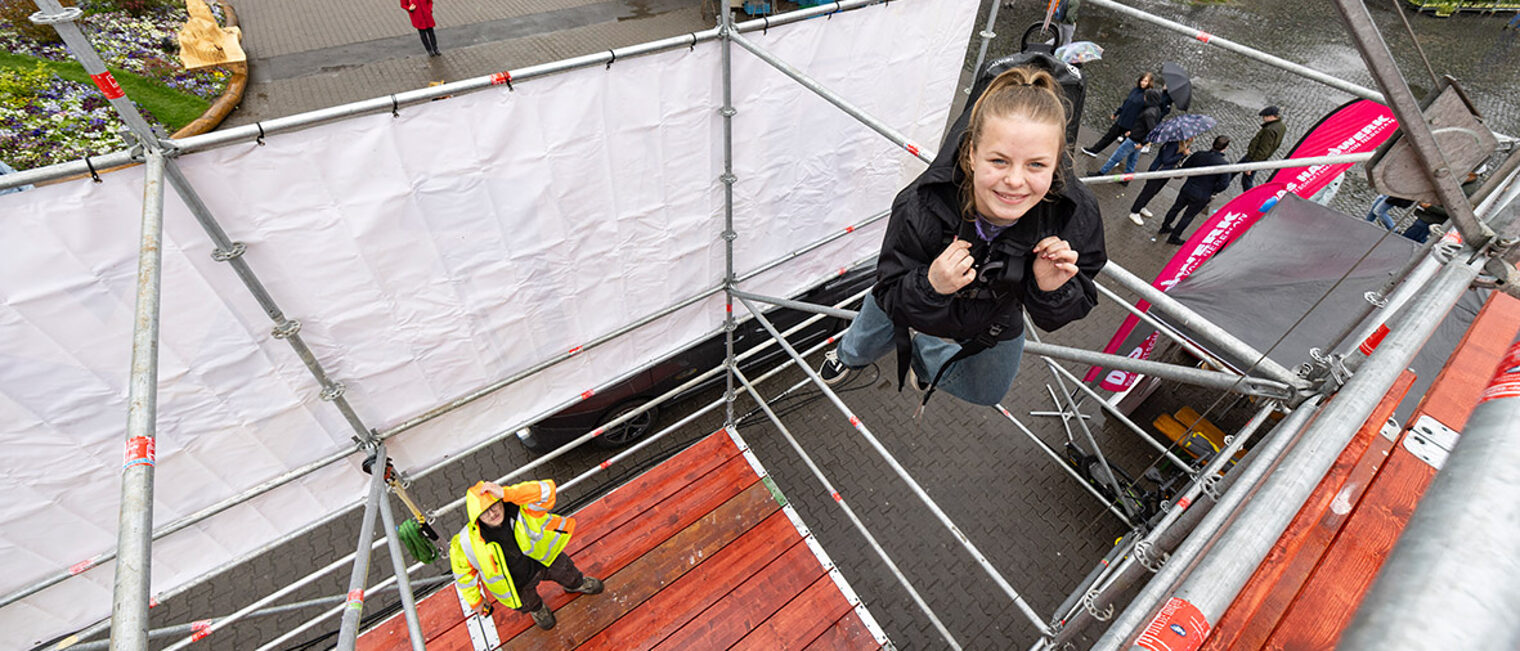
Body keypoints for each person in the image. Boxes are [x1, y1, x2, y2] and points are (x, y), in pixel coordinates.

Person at [817, 66, 1107, 408]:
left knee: (988, 392)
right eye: (999, 160)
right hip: (921, 284)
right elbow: (890, 288)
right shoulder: (921, 204)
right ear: (971, 154)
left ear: (1057, 163)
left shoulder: (1075, 211)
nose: (1015, 181)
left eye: (1036, 165)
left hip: (994, 310)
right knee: (870, 331)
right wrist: (930, 283)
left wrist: (1051, 289)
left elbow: (1071, 304)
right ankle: (848, 355)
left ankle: (924, 358)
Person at [449, 479, 604, 631]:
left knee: (567, 571)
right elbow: (463, 576)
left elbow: (547, 491)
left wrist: (507, 492)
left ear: (500, 500)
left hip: (544, 560)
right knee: (528, 601)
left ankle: (576, 584)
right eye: (484, 512)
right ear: (476, 518)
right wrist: (476, 602)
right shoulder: (465, 543)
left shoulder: (522, 507)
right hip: (516, 582)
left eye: (494, 505)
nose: (492, 513)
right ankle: (538, 609)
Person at [1155, 135, 1231, 245]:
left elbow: (1185, 168)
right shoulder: (1224, 164)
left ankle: (1165, 226)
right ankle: (1174, 236)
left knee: (1175, 208)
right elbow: (1224, 184)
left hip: (1188, 187)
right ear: (1225, 147)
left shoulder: (1198, 154)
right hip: (1203, 194)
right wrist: (1213, 189)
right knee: (1188, 216)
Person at [1081, 72, 1154, 158]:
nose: (1143, 83)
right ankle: (1094, 150)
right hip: (1122, 120)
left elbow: (1143, 114)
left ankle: (1116, 160)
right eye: (1142, 80)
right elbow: (1126, 103)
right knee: (1108, 137)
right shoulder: (1135, 90)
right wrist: (1117, 113)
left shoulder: (1148, 96)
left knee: (1125, 146)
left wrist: (1134, 129)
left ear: (1149, 83)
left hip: (1131, 125)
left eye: (1145, 81)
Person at [1097, 88, 1165, 178]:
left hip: (1134, 140)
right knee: (1131, 162)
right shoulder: (1156, 110)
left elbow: (1151, 131)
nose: (1144, 98)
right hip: (1137, 139)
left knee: (1115, 157)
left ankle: (1100, 173)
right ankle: (1127, 179)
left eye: (1146, 96)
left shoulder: (1149, 113)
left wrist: (1143, 143)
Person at [1126, 137, 1191, 226]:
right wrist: (1181, 155)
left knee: (1154, 192)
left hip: (1165, 173)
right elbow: (1166, 160)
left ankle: (1142, 206)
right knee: (1147, 192)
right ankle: (1134, 211)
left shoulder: (1181, 145)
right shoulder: (1173, 144)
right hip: (1158, 172)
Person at [1402, 171, 1482, 243]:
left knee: (1408, 240)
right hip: (1429, 217)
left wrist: (1430, 207)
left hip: (1432, 219)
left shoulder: (1468, 190)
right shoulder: (1461, 182)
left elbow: (1454, 211)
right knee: (1415, 238)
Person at [1238, 106, 1285, 191]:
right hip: (1255, 157)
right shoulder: (1281, 126)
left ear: (1272, 116)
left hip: (1253, 158)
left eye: (1265, 116)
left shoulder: (1269, 130)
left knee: (1246, 181)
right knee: (1235, 171)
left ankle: (1251, 199)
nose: (1263, 119)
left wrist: (1252, 165)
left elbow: (1263, 150)